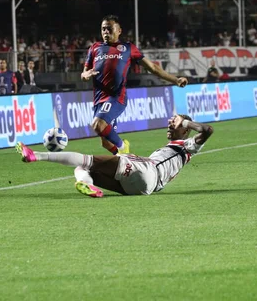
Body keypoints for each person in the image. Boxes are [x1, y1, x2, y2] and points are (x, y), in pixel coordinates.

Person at [15, 114, 214, 197]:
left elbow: (207, 130)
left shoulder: (187, 146)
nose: (170, 127)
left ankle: (36, 156)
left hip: (148, 170)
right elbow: (124, 161)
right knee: (82, 169)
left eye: (176, 125)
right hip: (145, 188)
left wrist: (185, 121)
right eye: (171, 124)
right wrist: (112, 149)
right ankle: (88, 186)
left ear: (186, 131)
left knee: (88, 160)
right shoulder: (173, 150)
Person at [81, 15, 189, 155]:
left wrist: (175, 80)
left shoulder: (128, 48)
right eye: (103, 29)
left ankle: (122, 147)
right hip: (98, 99)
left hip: (116, 98)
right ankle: (124, 156)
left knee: (97, 124)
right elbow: (83, 74)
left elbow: (153, 68)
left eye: (109, 29)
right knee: (105, 143)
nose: (105, 32)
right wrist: (85, 75)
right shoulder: (95, 48)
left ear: (119, 30)